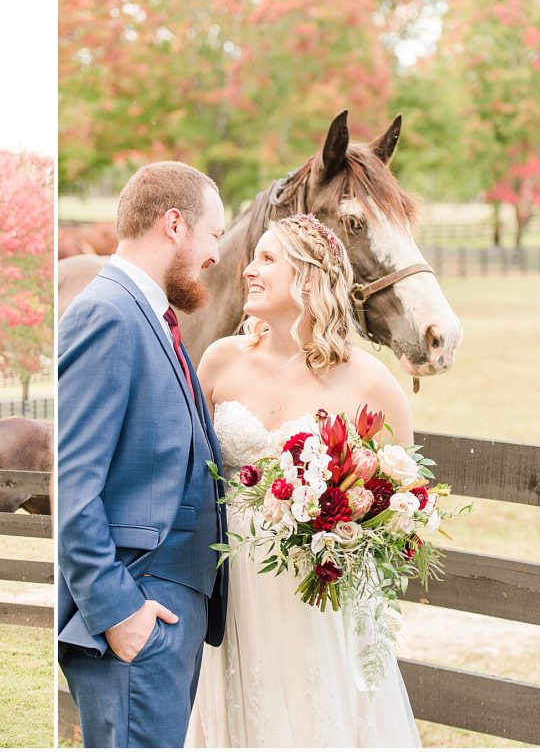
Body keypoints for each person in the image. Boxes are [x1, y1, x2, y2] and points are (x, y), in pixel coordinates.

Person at [186, 213, 421, 747]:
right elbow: (189, 474)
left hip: (320, 593)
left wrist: (352, 528)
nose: (248, 269)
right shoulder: (220, 361)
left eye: (268, 259)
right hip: (233, 581)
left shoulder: (367, 379)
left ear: (309, 279)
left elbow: (406, 493)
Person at [58, 161, 230, 748]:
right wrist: (118, 613)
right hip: (134, 616)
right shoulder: (106, 314)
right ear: (174, 224)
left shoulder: (149, 314)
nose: (216, 254)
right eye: (214, 234)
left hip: (162, 616)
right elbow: (72, 482)